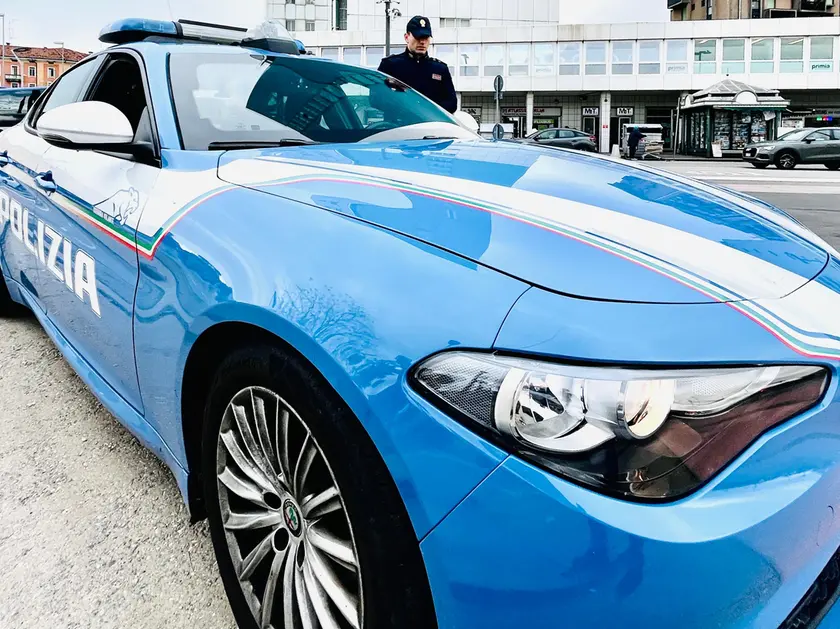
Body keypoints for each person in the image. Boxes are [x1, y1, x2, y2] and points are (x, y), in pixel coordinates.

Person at [377, 16, 457, 113]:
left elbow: (452, 103)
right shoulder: (390, 65)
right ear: (406, 37)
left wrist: (427, 110)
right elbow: (376, 99)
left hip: (430, 121)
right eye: (418, 37)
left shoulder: (440, 69)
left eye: (426, 38)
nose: (422, 42)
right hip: (398, 121)